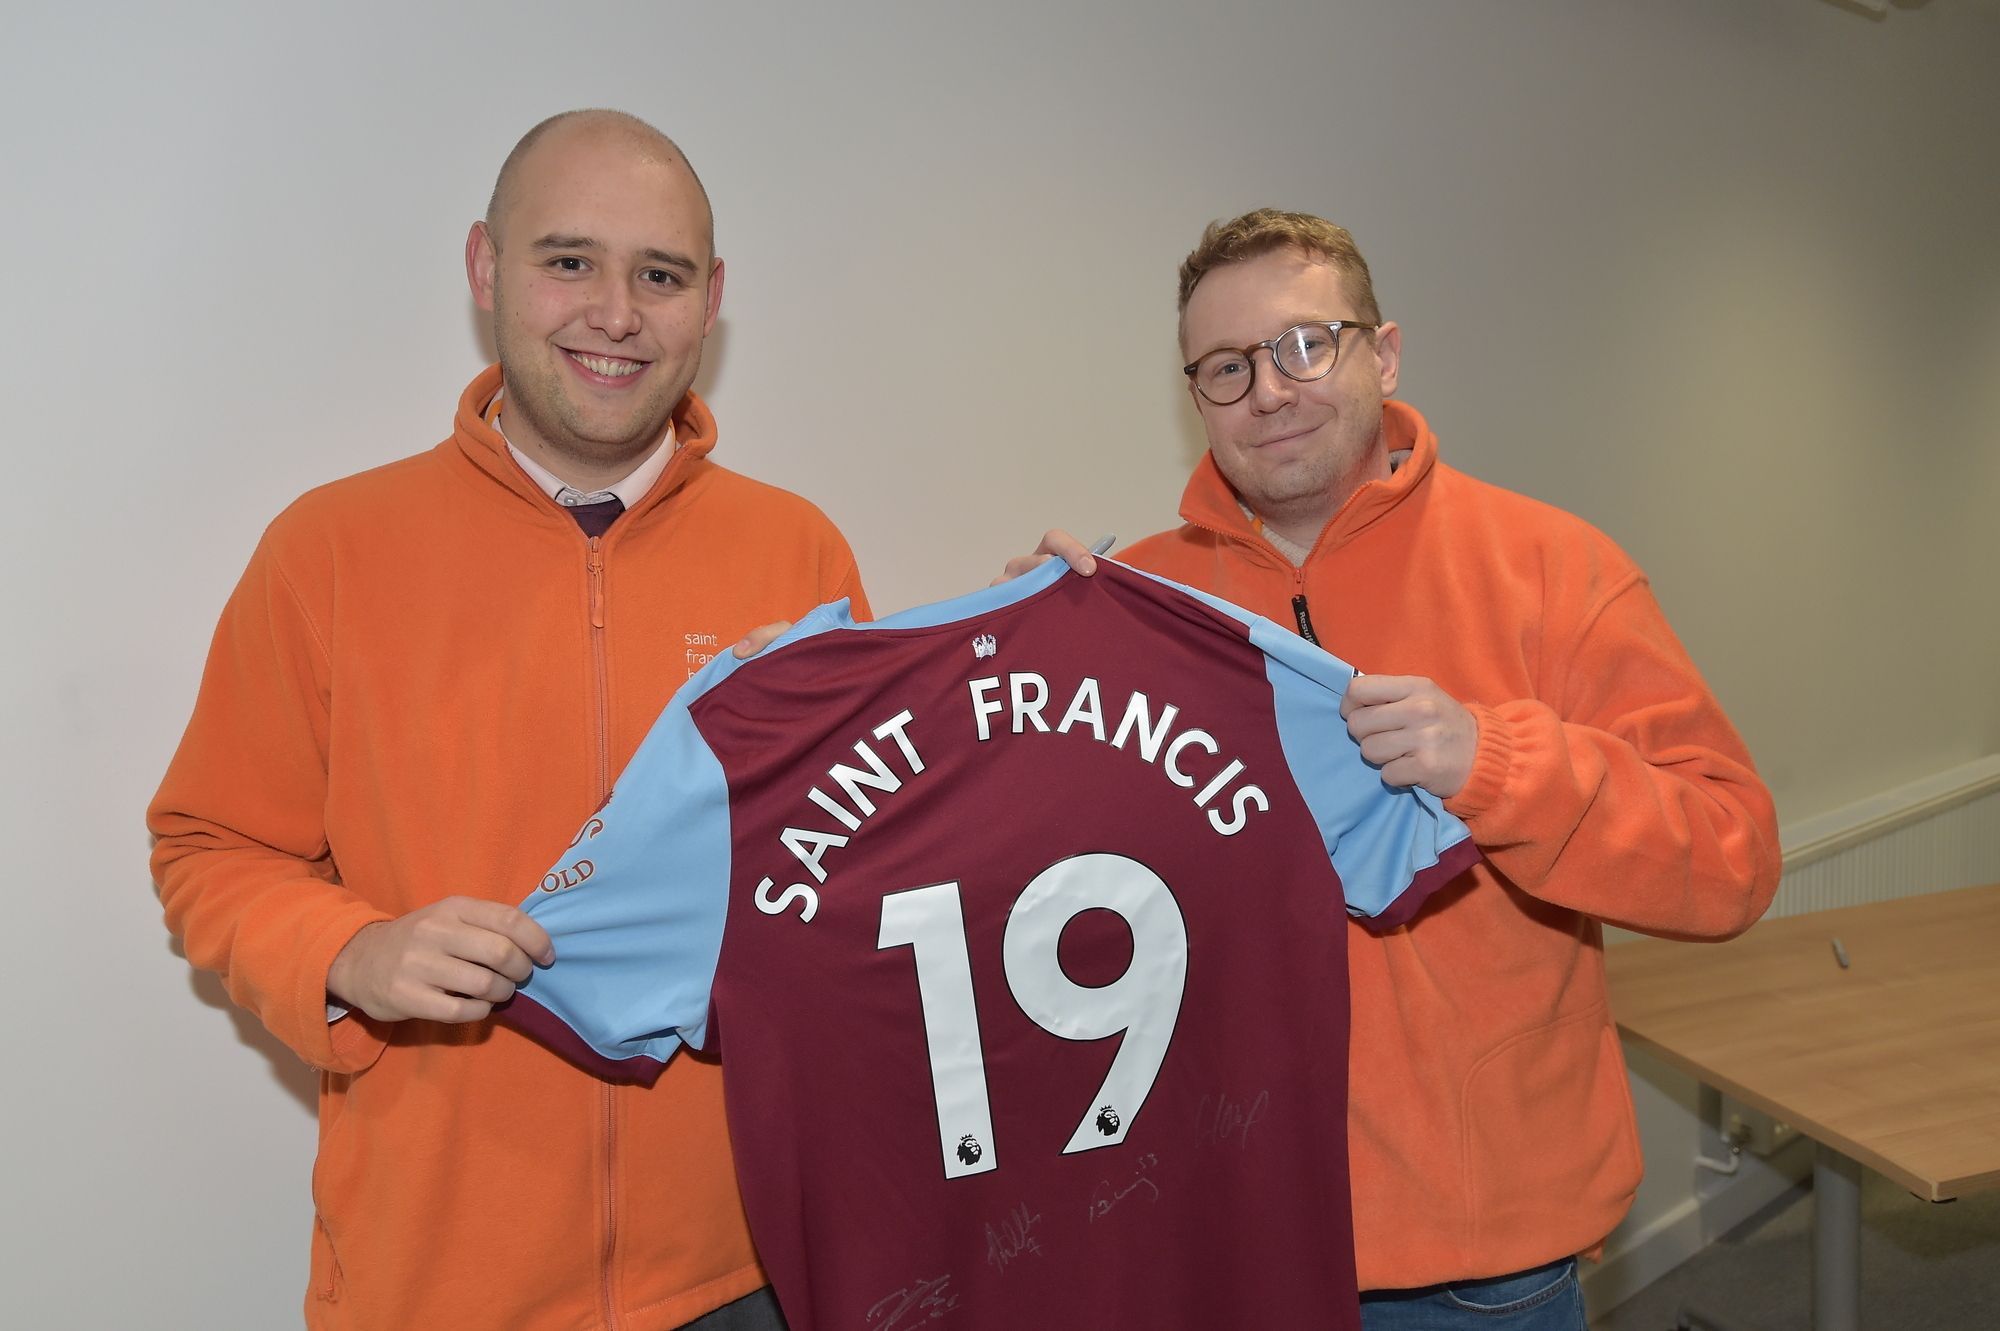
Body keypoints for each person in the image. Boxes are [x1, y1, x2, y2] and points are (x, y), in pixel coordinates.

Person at [148, 109, 864, 1331]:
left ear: (713, 298)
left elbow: (859, 869)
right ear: (486, 267)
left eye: (661, 274)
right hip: (438, 1284)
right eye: (568, 260)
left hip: (743, 1274)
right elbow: (207, 846)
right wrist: (342, 952)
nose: (616, 313)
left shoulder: (796, 552)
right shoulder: (329, 550)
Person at [1008, 210, 1781, 1329]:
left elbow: (1730, 859)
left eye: (1303, 344)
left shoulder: (1552, 568)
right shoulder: (1140, 600)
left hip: (1473, 1260)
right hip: (1210, 1234)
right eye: (1225, 367)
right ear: (1195, 396)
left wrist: (1499, 762)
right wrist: (1021, 673)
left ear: (1385, 351)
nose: (1268, 390)